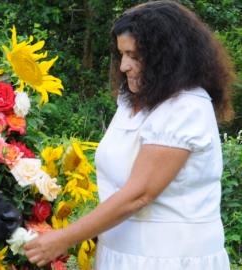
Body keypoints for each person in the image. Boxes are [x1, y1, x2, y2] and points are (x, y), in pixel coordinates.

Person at [24, 1, 235, 269]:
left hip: (171, 259)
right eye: (122, 54)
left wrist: (64, 238)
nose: (123, 66)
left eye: (135, 56)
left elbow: (140, 194)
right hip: (119, 254)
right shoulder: (131, 103)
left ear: (167, 57)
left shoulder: (187, 106)